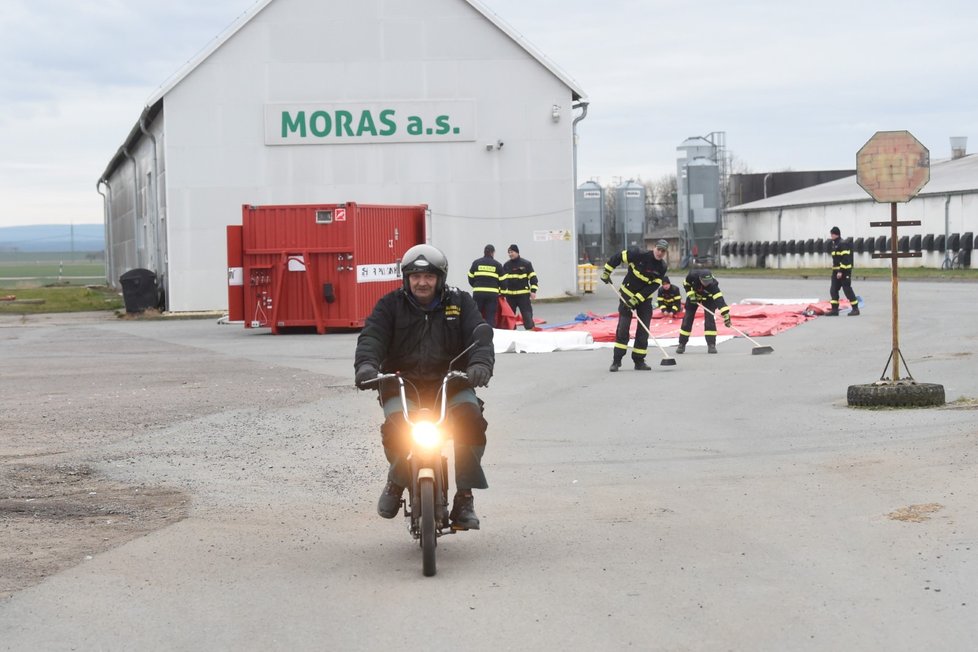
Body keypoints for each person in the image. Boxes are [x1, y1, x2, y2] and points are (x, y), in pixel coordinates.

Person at [354, 244, 493, 530]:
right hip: (402, 383)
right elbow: (372, 337)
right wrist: (366, 366)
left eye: (429, 276)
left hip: (451, 382)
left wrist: (480, 365)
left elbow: (480, 339)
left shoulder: (461, 302)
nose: (421, 282)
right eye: (415, 276)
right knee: (396, 427)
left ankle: (465, 497)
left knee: (471, 419)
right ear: (406, 278)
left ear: (440, 278)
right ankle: (397, 480)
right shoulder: (390, 305)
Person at [600, 239, 669, 371]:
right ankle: (616, 361)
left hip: (644, 299)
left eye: (663, 251)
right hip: (627, 294)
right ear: (654, 248)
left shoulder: (662, 267)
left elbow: (654, 285)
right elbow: (619, 257)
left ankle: (639, 361)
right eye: (659, 249)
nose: (660, 253)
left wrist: (637, 299)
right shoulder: (639, 254)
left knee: (643, 330)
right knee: (623, 328)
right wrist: (607, 271)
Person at [676, 269, 731, 355]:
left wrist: (726, 314)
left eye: (708, 281)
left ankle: (711, 345)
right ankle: (681, 344)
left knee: (710, 319)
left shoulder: (713, 284)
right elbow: (686, 284)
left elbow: (719, 299)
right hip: (694, 297)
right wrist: (691, 294)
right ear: (700, 278)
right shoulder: (692, 275)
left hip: (708, 299)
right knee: (687, 318)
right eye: (704, 281)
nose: (707, 283)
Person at [500, 244, 538, 330]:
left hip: (523, 296)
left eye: (512, 252)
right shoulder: (506, 265)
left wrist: (533, 291)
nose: (510, 254)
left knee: (527, 315)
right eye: (509, 252)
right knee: (509, 317)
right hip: (510, 296)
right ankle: (512, 333)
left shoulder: (526, 264)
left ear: (517, 252)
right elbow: (502, 280)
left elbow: (533, 278)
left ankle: (530, 333)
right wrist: (501, 293)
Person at [467, 244, 503, 327]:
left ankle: (476, 330)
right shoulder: (497, 265)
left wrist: (476, 286)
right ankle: (491, 333)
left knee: (476, 313)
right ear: (493, 253)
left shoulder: (476, 263)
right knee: (490, 315)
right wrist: (501, 291)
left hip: (478, 292)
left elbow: (470, 276)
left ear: (484, 252)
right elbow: (503, 280)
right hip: (492, 294)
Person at [828, 226, 860, 316]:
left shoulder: (843, 243)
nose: (831, 236)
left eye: (831, 234)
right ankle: (834, 310)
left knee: (847, 290)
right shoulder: (834, 244)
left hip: (844, 271)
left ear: (835, 234)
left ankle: (855, 309)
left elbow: (845, 259)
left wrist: (840, 271)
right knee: (833, 290)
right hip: (836, 272)